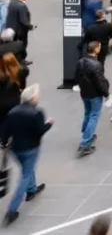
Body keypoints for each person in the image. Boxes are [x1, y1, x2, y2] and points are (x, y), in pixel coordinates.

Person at [0, 84, 52, 227]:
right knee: (25, 175)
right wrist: (49, 124)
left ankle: (32, 189)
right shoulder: (37, 113)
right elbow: (40, 130)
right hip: (31, 148)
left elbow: (5, 131)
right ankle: (12, 210)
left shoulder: (13, 112)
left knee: (26, 168)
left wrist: (4, 143)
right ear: (34, 98)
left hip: (16, 148)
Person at [75, 40, 108, 157]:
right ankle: (85, 143)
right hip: (95, 94)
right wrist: (106, 93)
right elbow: (100, 82)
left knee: (87, 113)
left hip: (84, 93)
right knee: (94, 116)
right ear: (96, 49)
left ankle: (86, 134)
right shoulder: (97, 65)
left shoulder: (81, 62)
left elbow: (77, 76)